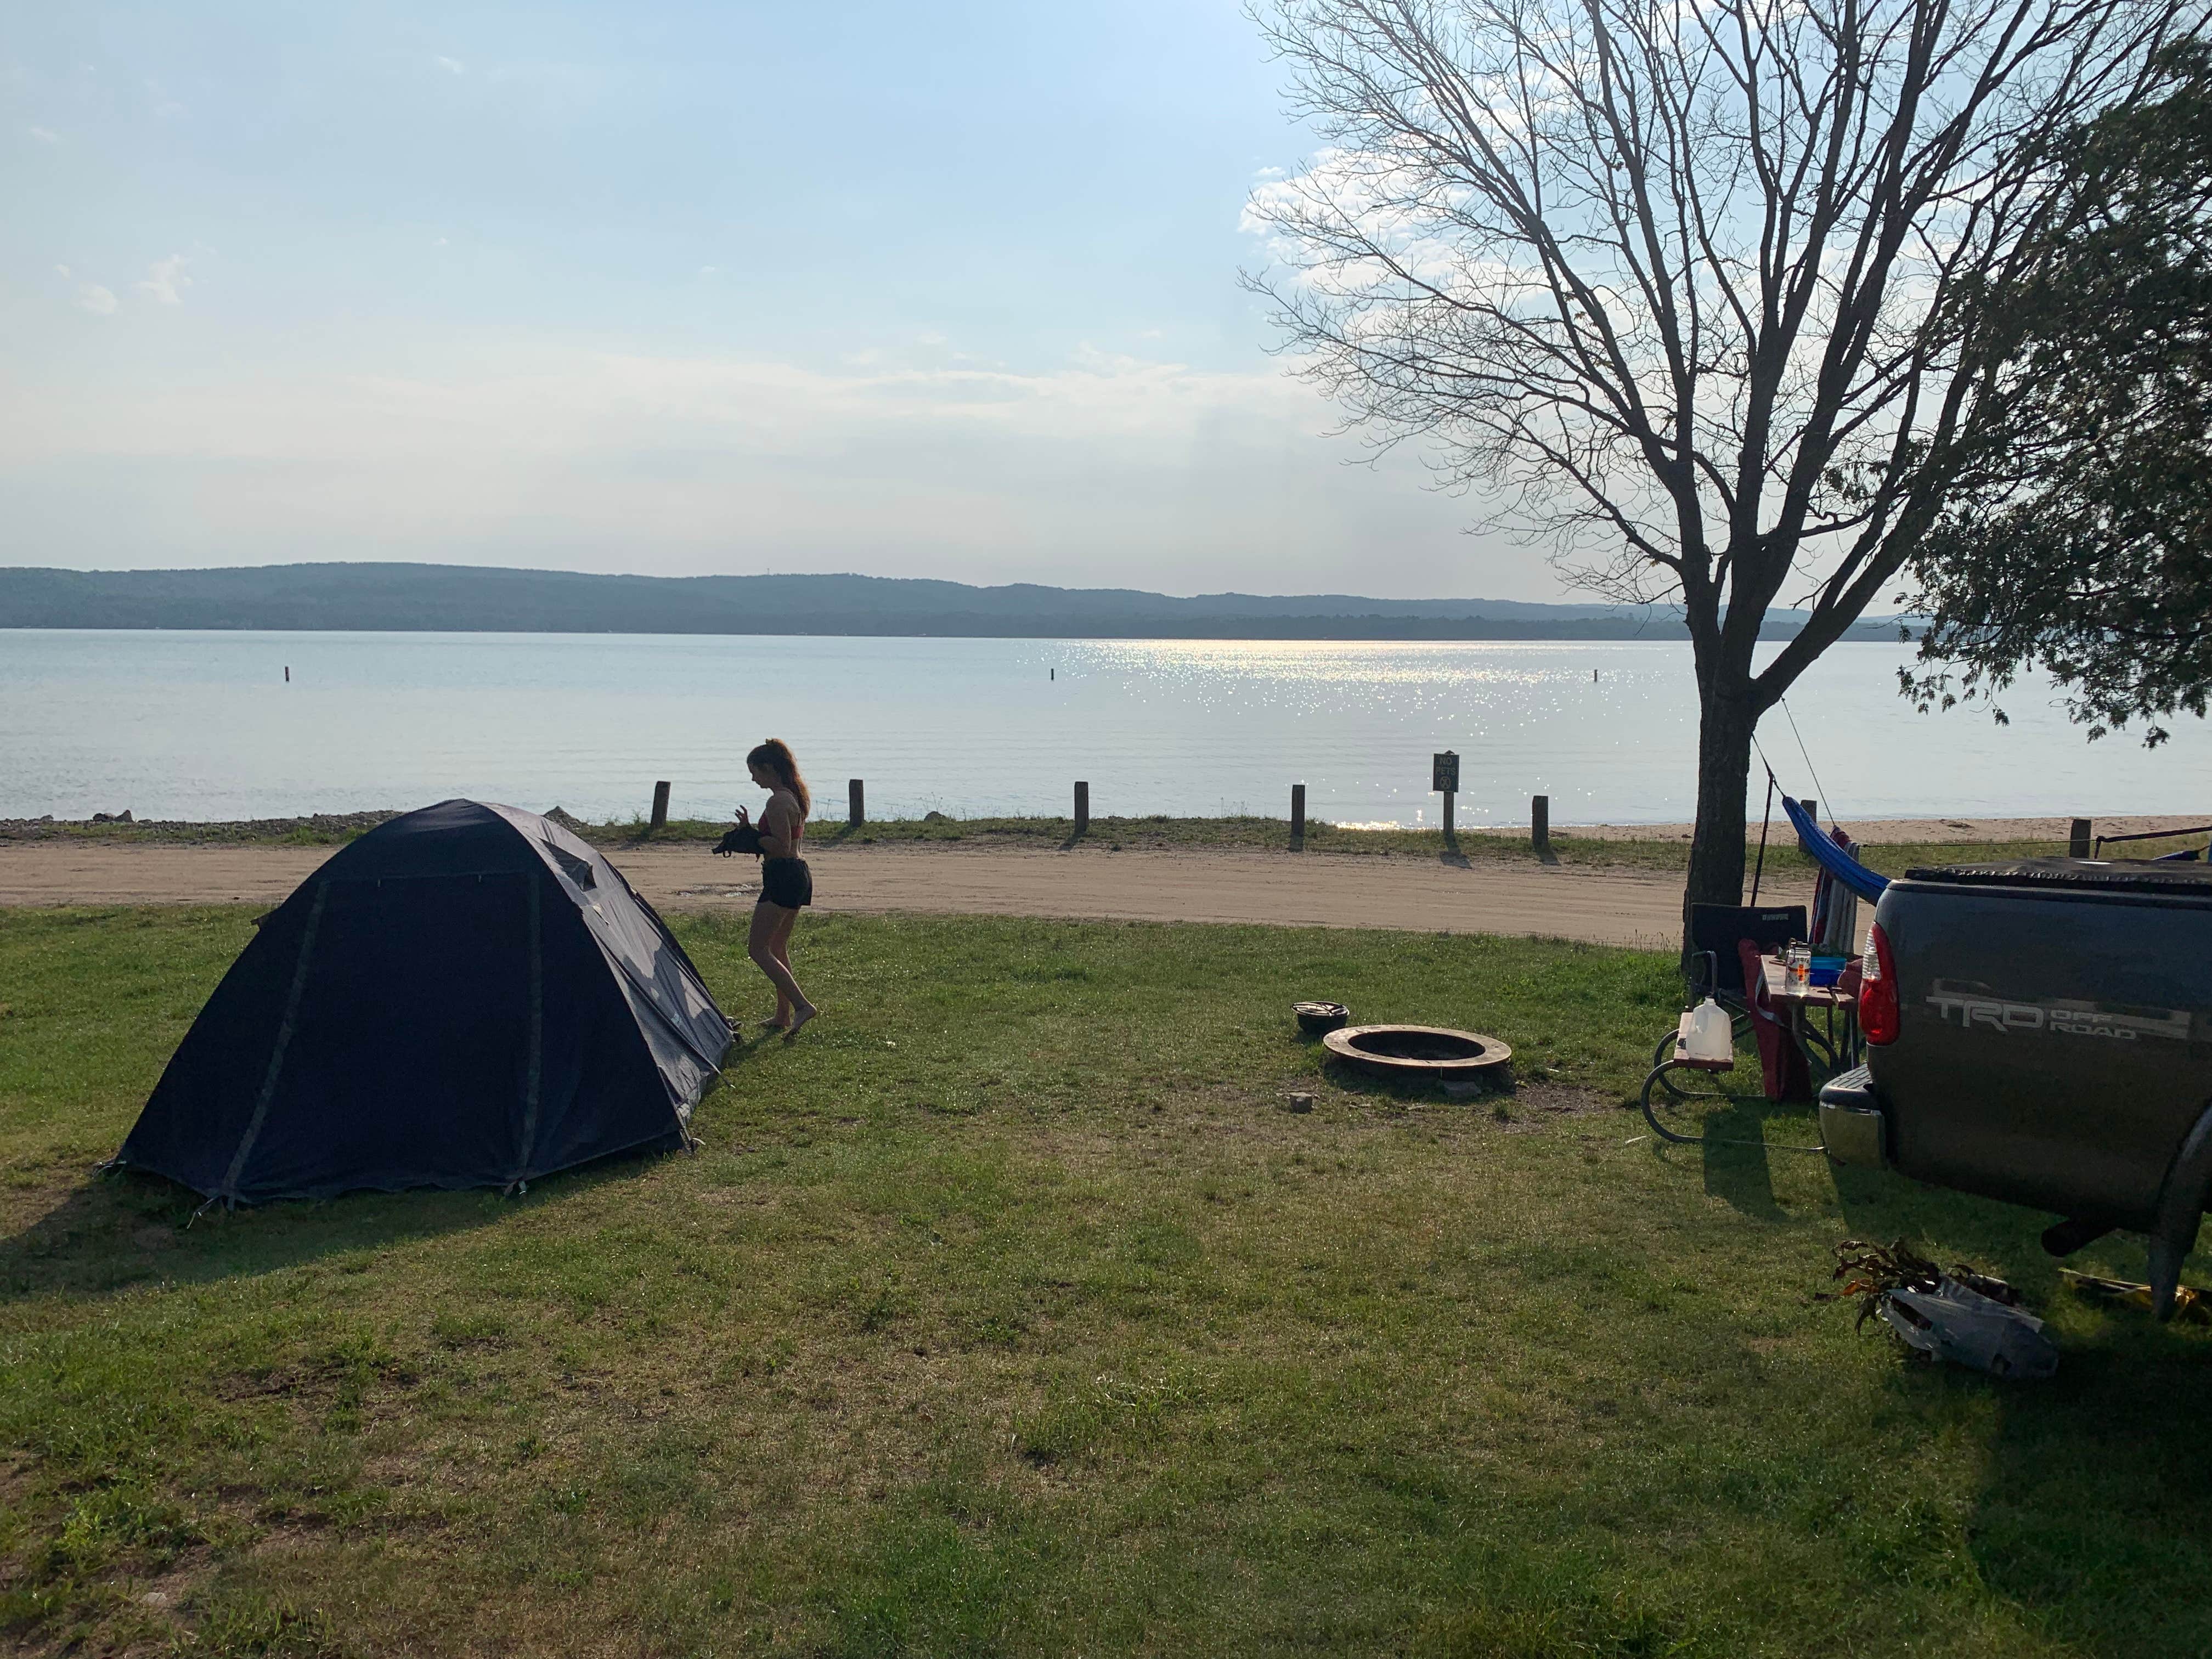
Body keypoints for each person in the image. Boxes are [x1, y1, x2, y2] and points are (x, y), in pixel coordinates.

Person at [736, 738, 819, 1035]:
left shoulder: (777, 801)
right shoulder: (792, 796)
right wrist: (752, 833)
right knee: (777, 946)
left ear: (769, 768)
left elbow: (782, 847)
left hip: (783, 874)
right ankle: (783, 1015)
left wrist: (750, 839)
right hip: (797, 874)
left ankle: (802, 1006)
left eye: (755, 771)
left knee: (758, 950)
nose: (753, 778)